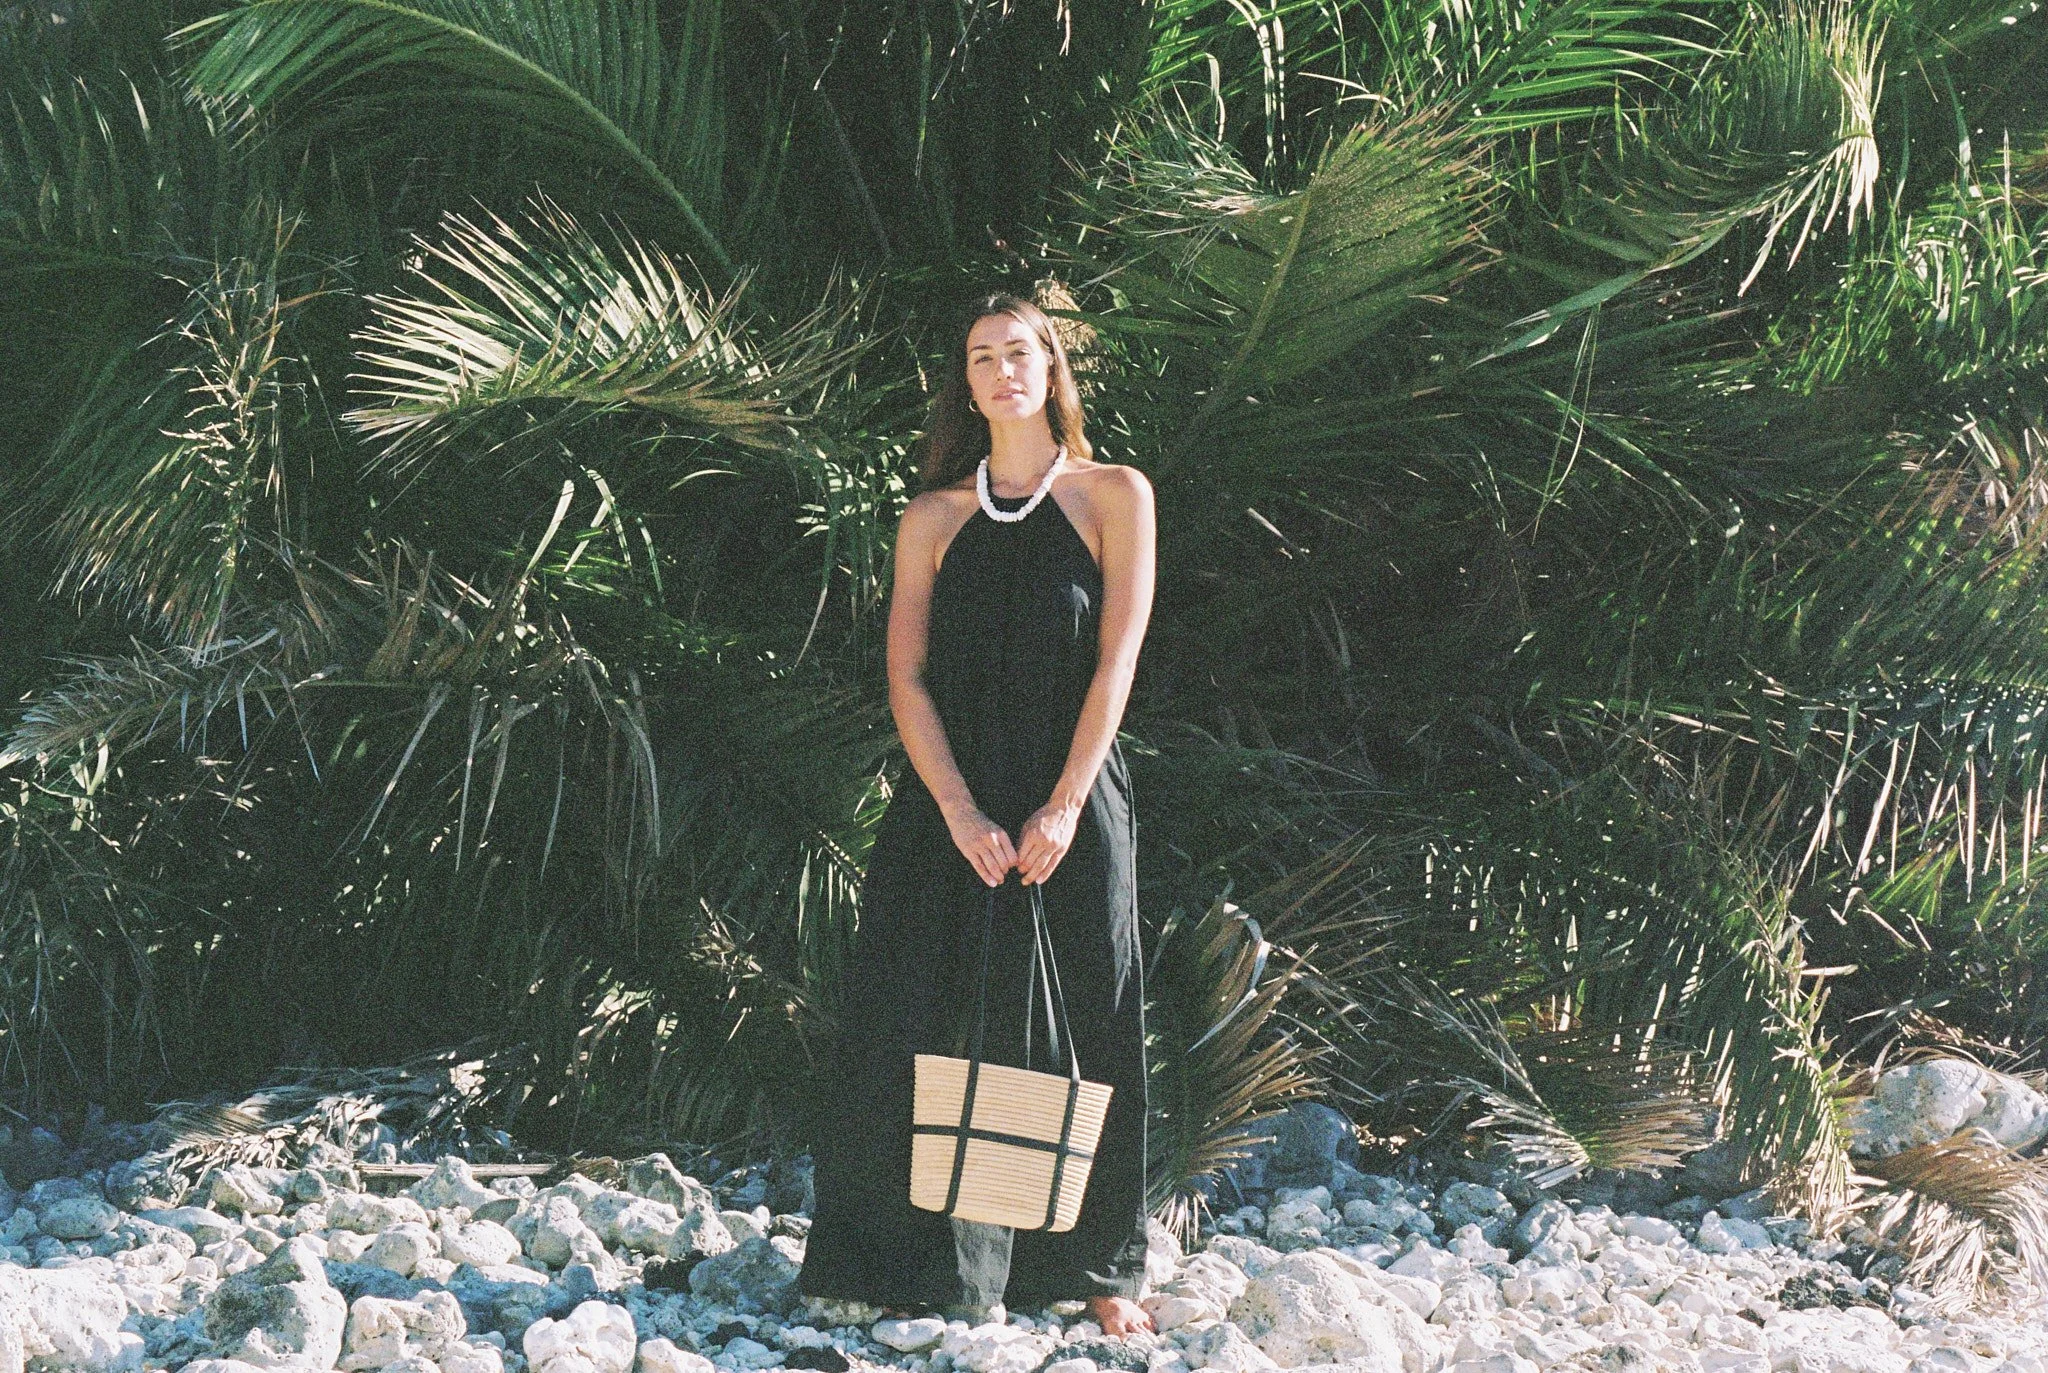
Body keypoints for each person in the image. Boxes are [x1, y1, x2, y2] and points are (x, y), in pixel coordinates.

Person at [800, 291, 1159, 1336]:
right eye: (980, 357)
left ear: (1050, 368)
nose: (1001, 371)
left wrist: (1064, 804)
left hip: (1071, 800)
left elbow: (1117, 659)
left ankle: (1095, 1268)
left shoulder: (1114, 493)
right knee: (910, 1011)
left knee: (1088, 1013)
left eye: (1017, 352)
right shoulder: (932, 516)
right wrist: (957, 809)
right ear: (964, 383)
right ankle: (899, 1263)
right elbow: (906, 677)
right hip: (946, 802)